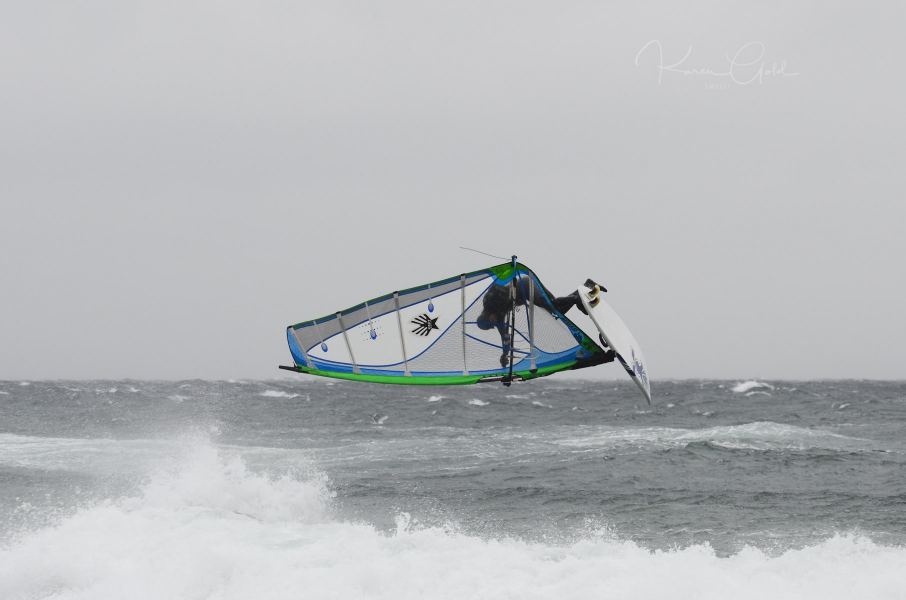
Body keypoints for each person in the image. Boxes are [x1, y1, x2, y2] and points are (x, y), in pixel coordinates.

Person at [475, 274, 613, 367]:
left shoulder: (490, 301)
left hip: (524, 285)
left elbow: (496, 285)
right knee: (557, 311)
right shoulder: (498, 319)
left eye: (491, 322)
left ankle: (578, 300)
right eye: (492, 324)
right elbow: (505, 337)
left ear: (486, 316)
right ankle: (586, 287)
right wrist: (505, 355)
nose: (495, 322)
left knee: (552, 306)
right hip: (526, 291)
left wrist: (508, 298)